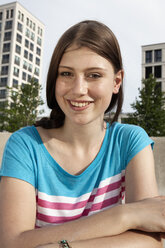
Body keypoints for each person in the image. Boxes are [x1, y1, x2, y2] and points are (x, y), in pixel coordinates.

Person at [0, 20, 164, 248]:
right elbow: (11, 242)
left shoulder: (130, 141)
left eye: (94, 75)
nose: (78, 89)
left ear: (116, 82)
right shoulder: (25, 145)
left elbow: (151, 241)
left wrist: (61, 246)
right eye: (66, 73)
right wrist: (123, 217)